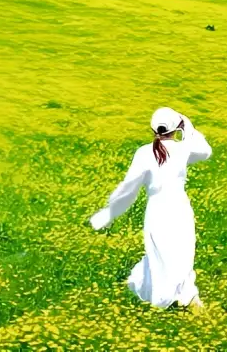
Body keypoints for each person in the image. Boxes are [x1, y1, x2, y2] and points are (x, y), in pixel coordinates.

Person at [90, 107, 212, 309]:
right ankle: (183, 296)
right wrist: (187, 126)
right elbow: (205, 152)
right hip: (179, 207)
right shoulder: (183, 148)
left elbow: (128, 188)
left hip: (157, 209)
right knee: (181, 252)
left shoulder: (144, 153)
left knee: (159, 255)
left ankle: (170, 296)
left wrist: (108, 213)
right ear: (176, 128)